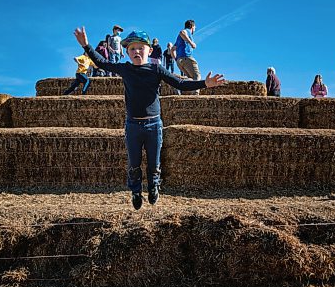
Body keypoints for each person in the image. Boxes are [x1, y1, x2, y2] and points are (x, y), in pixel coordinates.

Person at [72, 27, 225, 210]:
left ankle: (154, 185)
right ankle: (136, 191)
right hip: (133, 125)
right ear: (127, 52)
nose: (136, 51)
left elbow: (180, 83)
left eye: (140, 48)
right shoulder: (125, 69)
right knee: (134, 163)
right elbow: (102, 63)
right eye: (132, 49)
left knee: (154, 162)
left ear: (149, 50)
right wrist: (86, 45)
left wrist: (205, 84)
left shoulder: (156, 69)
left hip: (153, 124)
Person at [172, 19, 201, 94]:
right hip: (186, 57)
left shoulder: (179, 39)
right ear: (192, 26)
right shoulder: (187, 31)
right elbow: (182, 32)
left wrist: (176, 59)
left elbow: (172, 49)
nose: (195, 29)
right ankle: (195, 95)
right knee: (197, 76)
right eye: (195, 27)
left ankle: (178, 87)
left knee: (190, 78)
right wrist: (191, 43)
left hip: (180, 61)